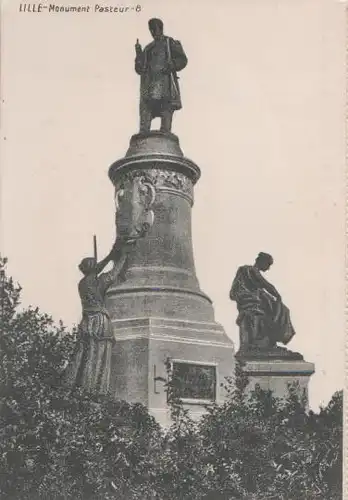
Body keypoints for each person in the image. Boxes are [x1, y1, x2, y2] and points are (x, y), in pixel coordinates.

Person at [62, 238, 134, 394]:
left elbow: (98, 268)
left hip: (88, 322)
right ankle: (95, 389)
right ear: (94, 269)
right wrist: (123, 255)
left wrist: (109, 255)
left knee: (86, 356)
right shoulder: (100, 281)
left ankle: (82, 387)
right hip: (100, 323)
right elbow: (114, 272)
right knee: (99, 356)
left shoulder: (82, 283)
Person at [230, 252, 296, 353]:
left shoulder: (252, 271)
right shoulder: (248, 269)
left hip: (254, 300)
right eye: (268, 264)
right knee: (275, 310)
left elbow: (262, 287)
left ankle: (268, 342)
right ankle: (262, 342)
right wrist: (277, 295)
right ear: (261, 261)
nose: (268, 268)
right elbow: (265, 284)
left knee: (281, 309)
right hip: (248, 300)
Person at [135, 18, 187, 133]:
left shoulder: (169, 43)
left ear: (160, 29)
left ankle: (165, 136)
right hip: (149, 88)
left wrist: (172, 65)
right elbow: (140, 69)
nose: (153, 32)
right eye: (151, 30)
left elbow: (182, 59)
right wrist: (139, 54)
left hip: (165, 85)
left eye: (155, 29)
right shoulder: (148, 48)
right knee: (146, 113)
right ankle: (143, 137)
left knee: (166, 112)